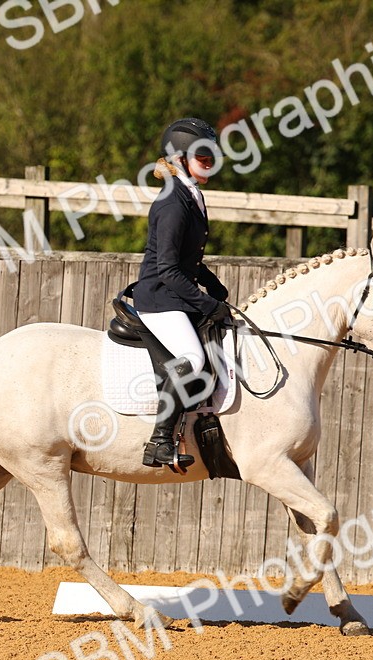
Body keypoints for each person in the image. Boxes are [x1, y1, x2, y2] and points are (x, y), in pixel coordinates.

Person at [132, 117, 230, 468]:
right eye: (202, 155)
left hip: (173, 293)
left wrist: (210, 280)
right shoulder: (174, 202)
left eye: (212, 155)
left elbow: (184, 258)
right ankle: (159, 442)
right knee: (193, 357)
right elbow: (168, 270)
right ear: (179, 158)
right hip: (160, 299)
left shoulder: (191, 195)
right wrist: (207, 302)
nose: (209, 162)